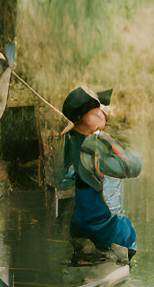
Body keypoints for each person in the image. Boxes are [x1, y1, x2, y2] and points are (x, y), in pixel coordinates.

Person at [61, 87, 142, 265]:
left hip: (79, 225)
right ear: (83, 118)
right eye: (96, 112)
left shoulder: (70, 141)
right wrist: (110, 141)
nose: (102, 114)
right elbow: (133, 167)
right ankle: (108, 257)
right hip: (104, 227)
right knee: (126, 234)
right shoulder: (95, 147)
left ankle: (84, 255)